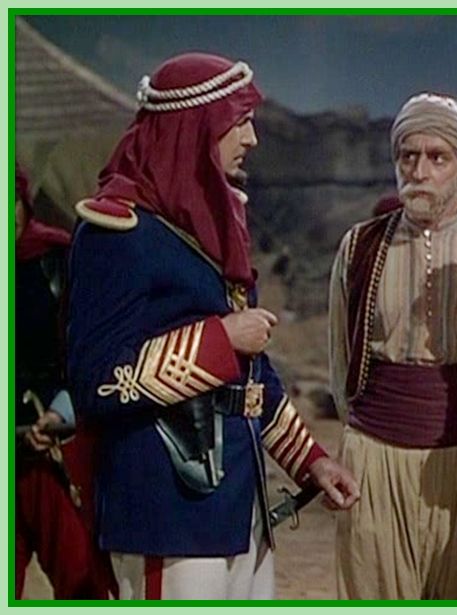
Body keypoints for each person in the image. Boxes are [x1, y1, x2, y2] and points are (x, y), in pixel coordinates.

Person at [66, 53, 358, 600]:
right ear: (194, 128)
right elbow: (98, 378)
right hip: (165, 509)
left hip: (239, 505)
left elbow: (249, 379)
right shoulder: (118, 232)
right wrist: (221, 339)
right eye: (238, 121)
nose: (252, 138)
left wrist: (310, 461)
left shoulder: (214, 223)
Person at [328, 92, 457, 599]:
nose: (419, 171)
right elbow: (341, 357)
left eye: (437, 157)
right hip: (376, 457)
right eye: (408, 156)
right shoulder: (360, 246)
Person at [15, 161, 116, 599]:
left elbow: (91, 353)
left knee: (82, 587)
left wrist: (61, 413)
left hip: (55, 453)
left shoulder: (57, 260)